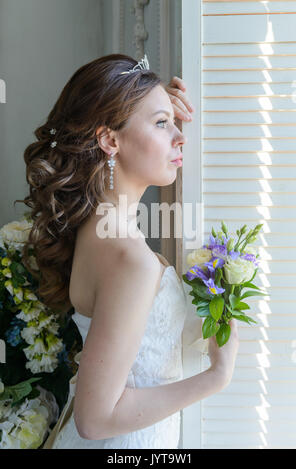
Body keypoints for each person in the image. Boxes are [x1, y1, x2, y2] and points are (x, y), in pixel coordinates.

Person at [20, 54, 239, 449]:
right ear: (109, 140)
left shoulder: (97, 229)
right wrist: (215, 378)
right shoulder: (127, 258)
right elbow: (95, 418)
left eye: (172, 122)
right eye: (162, 124)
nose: (180, 136)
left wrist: (152, 111)